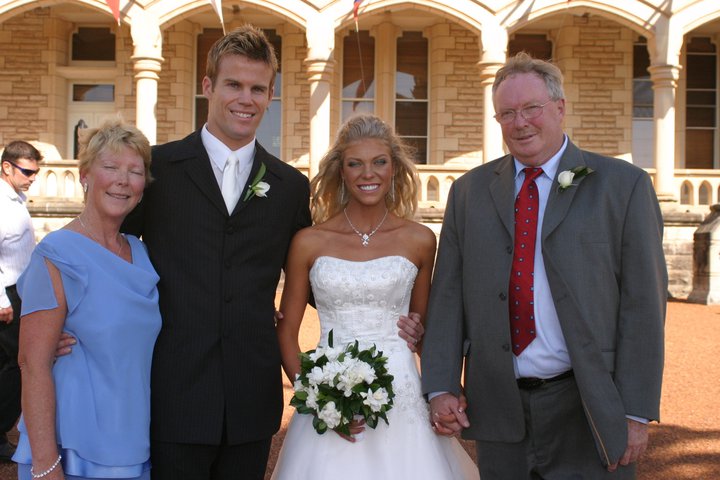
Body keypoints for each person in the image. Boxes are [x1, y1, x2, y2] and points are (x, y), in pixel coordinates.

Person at [117, 26, 422, 480]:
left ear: (270, 95)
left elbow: (323, 279)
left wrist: (394, 307)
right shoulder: (159, 170)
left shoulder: (288, 187)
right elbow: (106, 245)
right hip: (173, 393)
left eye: (258, 88)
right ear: (208, 87)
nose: (246, 98)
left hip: (251, 399)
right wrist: (76, 316)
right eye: (233, 85)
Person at [421, 52, 667, 479]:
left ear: (559, 107)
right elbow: (448, 296)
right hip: (499, 405)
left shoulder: (623, 187)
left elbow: (643, 305)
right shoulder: (468, 193)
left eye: (532, 108)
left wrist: (636, 411)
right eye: (508, 113)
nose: (521, 122)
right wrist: (441, 385)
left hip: (589, 404)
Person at [271, 114, 479, 479]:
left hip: (401, 394)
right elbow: (287, 333)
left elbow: (426, 333)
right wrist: (319, 399)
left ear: (394, 169)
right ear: (342, 171)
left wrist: (447, 386)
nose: (368, 173)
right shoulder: (308, 242)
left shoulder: (420, 240)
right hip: (328, 391)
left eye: (379, 162)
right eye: (356, 164)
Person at [11, 120, 160, 480]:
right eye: (110, 167)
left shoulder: (142, 253)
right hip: (74, 448)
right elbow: (33, 365)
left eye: (134, 171)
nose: (123, 180)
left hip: (133, 439)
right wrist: (47, 465)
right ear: (85, 175)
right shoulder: (56, 254)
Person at [0, 141, 42, 462]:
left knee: (14, 366)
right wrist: (2, 299)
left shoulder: (16, 199)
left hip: (20, 293)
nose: (31, 178)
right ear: (7, 167)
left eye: (35, 173)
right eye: (26, 172)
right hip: (7, 297)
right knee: (16, 366)